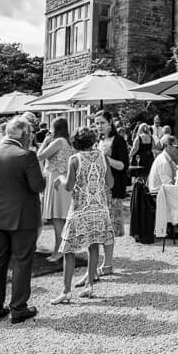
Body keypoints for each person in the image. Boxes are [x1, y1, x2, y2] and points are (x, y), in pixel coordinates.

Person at [0, 117, 46, 325]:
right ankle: (18, 308)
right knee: (22, 261)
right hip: (22, 216)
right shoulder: (26, 155)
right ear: (25, 134)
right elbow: (38, 186)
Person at [52, 127, 114, 303]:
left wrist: (61, 179)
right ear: (93, 140)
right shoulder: (102, 157)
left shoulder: (75, 159)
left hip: (80, 209)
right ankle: (89, 286)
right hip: (100, 209)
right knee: (93, 247)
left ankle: (66, 291)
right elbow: (110, 183)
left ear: (75, 142)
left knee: (69, 249)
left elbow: (69, 186)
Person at [95, 110, 128, 276]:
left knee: (109, 228)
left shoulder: (119, 140)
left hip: (112, 188)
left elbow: (123, 165)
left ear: (110, 123)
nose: (99, 126)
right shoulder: (99, 141)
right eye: (96, 123)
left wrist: (104, 158)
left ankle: (107, 263)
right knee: (101, 227)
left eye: (101, 123)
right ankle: (104, 261)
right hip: (99, 188)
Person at [37, 118, 75, 262]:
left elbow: (40, 156)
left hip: (56, 182)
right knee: (60, 218)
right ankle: (63, 249)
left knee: (58, 218)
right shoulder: (67, 142)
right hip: (61, 181)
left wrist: (46, 141)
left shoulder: (58, 142)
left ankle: (59, 251)